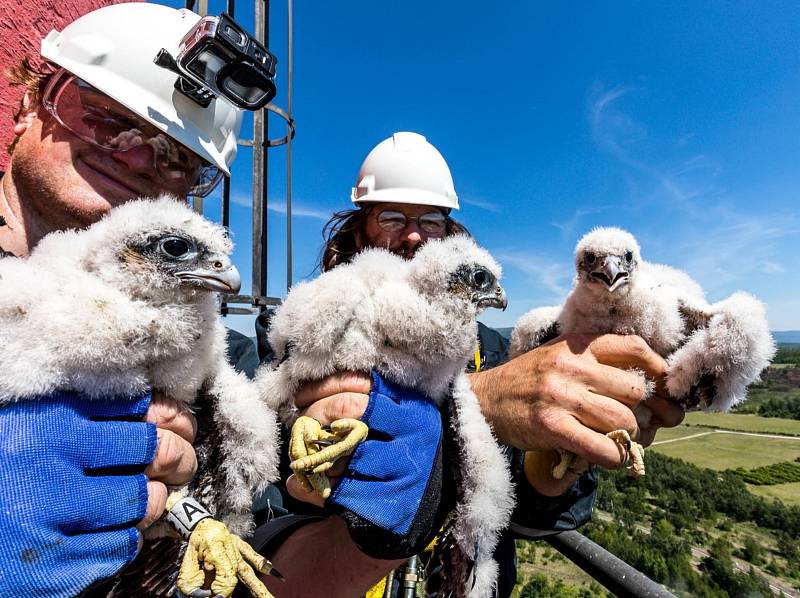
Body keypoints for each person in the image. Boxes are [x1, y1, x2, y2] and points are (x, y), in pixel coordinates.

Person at [249, 132, 686, 597]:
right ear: (360, 230)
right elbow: (269, 483)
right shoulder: (304, 325)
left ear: (450, 235)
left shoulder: (493, 350)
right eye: (392, 217)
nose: (414, 235)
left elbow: (529, 512)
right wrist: (487, 400)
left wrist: (559, 456)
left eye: (431, 221)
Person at [0, 4, 257, 595]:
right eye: (104, 119)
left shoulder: (214, 349)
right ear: (29, 105)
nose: (139, 158)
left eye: (179, 160)